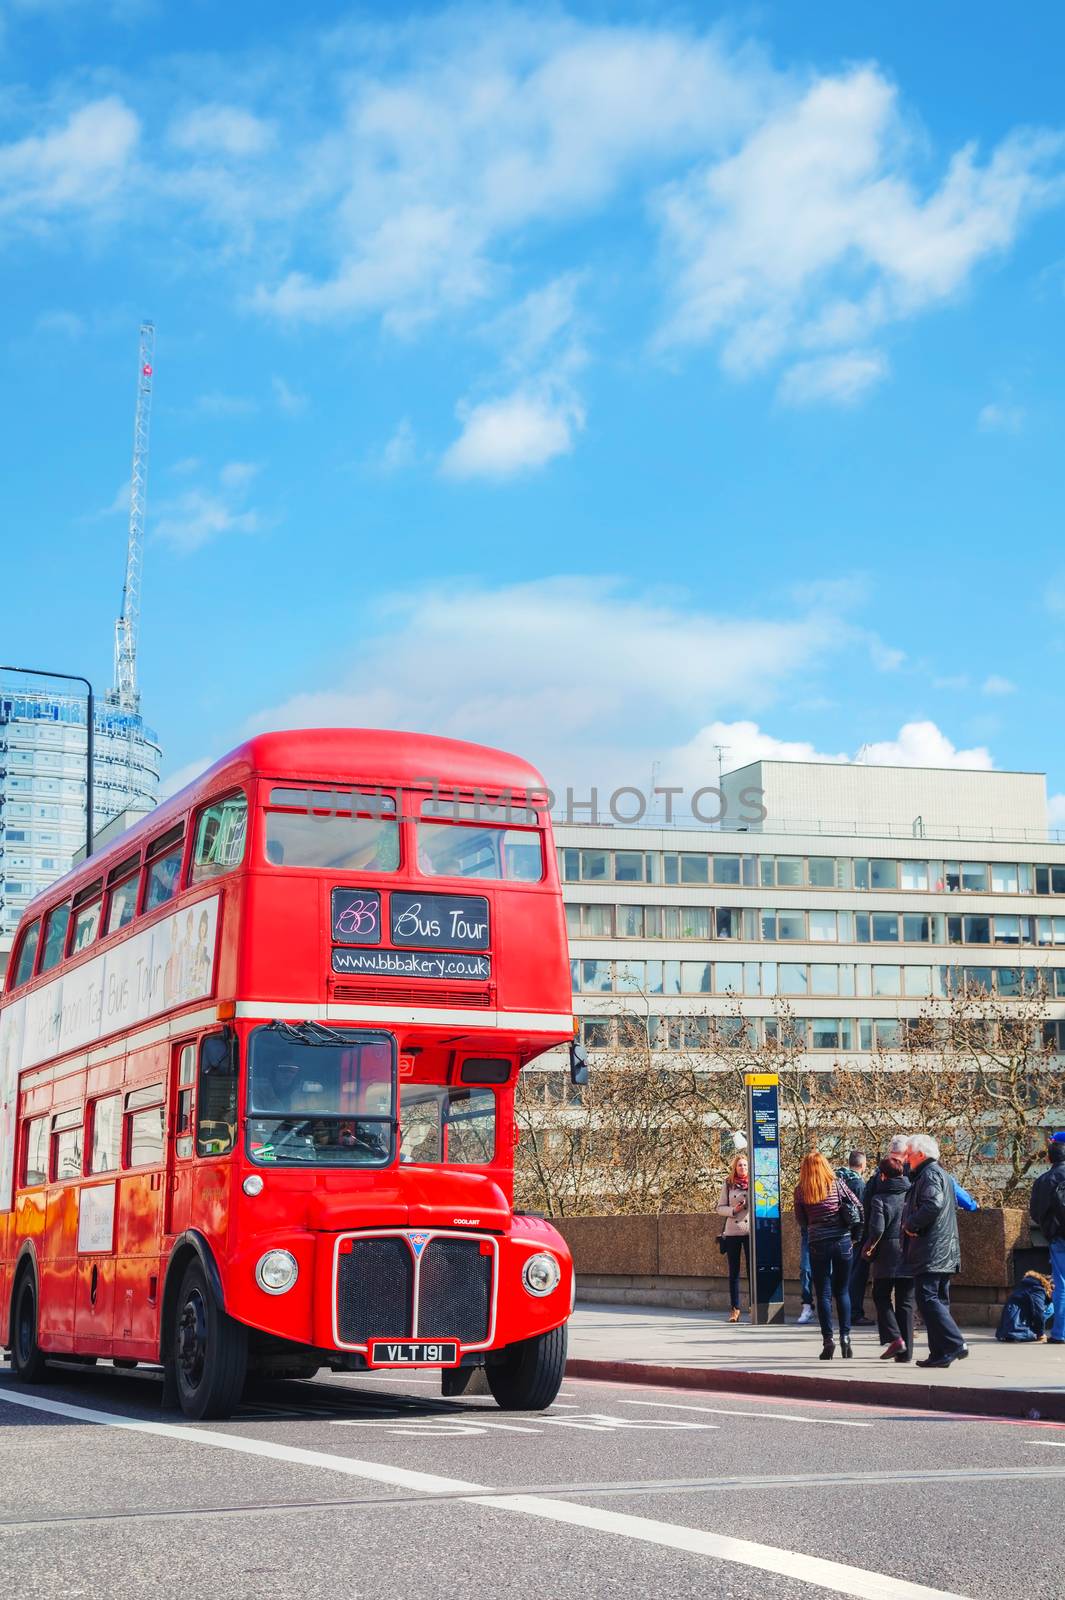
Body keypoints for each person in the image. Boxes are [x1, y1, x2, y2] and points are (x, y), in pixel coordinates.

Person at [900, 1133, 968, 1369]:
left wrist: (911, 1224)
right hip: (943, 1249)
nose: (906, 1159)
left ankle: (955, 1343)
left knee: (927, 1298)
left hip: (932, 1249)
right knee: (938, 1300)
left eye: (909, 1154)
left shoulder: (929, 1174)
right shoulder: (940, 1174)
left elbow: (933, 1204)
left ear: (920, 1154)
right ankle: (940, 1353)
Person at [793, 1151, 862, 1359]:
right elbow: (858, 1207)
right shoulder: (838, 1184)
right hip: (842, 1241)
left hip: (818, 1243)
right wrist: (855, 1237)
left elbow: (801, 1220)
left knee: (822, 1293)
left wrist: (815, 1227)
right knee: (842, 1291)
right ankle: (846, 1338)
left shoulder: (801, 1190)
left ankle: (828, 1340)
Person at [864, 1150, 914, 1361]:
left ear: (882, 1176)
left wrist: (867, 1248)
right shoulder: (912, 1193)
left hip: (887, 1253)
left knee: (881, 1295)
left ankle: (895, 1339)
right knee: (906, 1302)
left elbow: (877, 1229)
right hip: (911, 1250)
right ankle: (906, 1354)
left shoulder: (880, 1198)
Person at [1029, 1130, 1065, 1346]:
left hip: (1057, 1238)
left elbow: (1035, 1212)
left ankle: (1060, 1333)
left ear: (1050, 1157)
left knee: (1061, 1285)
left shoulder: (1043, 1180)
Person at [837, 1151, 872, 1326]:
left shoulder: (838, 1180)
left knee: (845, 1275)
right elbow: (862, 1212)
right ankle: (855, 1313)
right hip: (856, 1237)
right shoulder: (858, 1184)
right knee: (857, 1275)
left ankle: (845, 1311)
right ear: (863, 1165)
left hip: (840, 1234)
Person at [716, 1152, 751, 1323]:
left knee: (753, 1271)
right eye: (740, 1165)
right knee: (734, 1272)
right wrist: (733, 1210)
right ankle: (735, 1309)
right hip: (732, 1231)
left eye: (745, 1165)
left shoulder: (754, 1182)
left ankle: (754, 1305)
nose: (743, 1168)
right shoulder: (728, 1184)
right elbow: (719, 1208)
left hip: (750, 1232)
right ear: (735, 1168)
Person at [995, 1271, 1055, 1343]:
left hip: (1009, 1327)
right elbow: (1038, 1313)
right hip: (1017, 1329)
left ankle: (1032, 1330)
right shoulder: (1038, 1289)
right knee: (1052, 1307)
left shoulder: (1030, 1284)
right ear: (1050, 1286)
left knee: (1050, 1305)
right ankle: (1034, 1331)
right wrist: (1040, 1334)